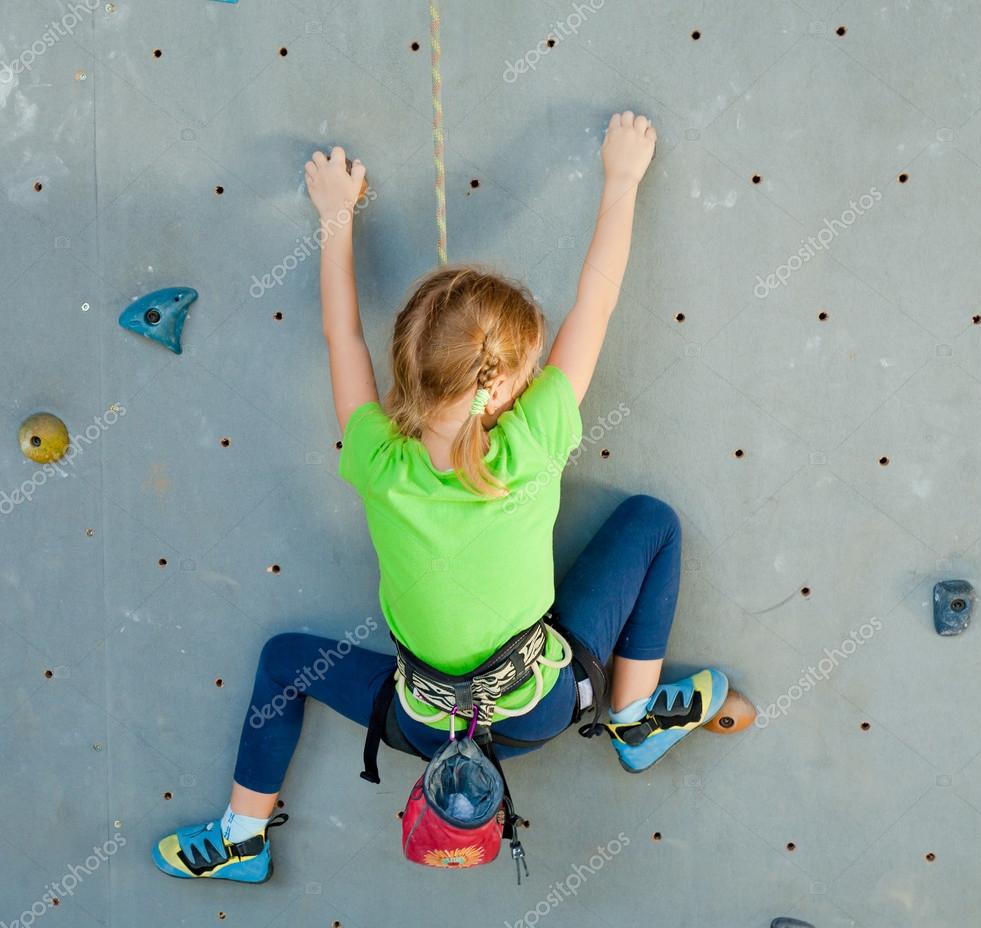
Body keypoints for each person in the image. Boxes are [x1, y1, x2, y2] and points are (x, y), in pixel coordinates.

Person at [152, 111, 748, 884]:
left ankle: (241, 835)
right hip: (538, 711)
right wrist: (623, 179)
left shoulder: (377, 457)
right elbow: (594, 302)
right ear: (501, 389)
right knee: (652, 523)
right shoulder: (531, 444)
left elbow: (343, 341)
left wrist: (336, 218)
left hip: (422, 728)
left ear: (407, 366)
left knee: (282, 662)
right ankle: (632, 717)